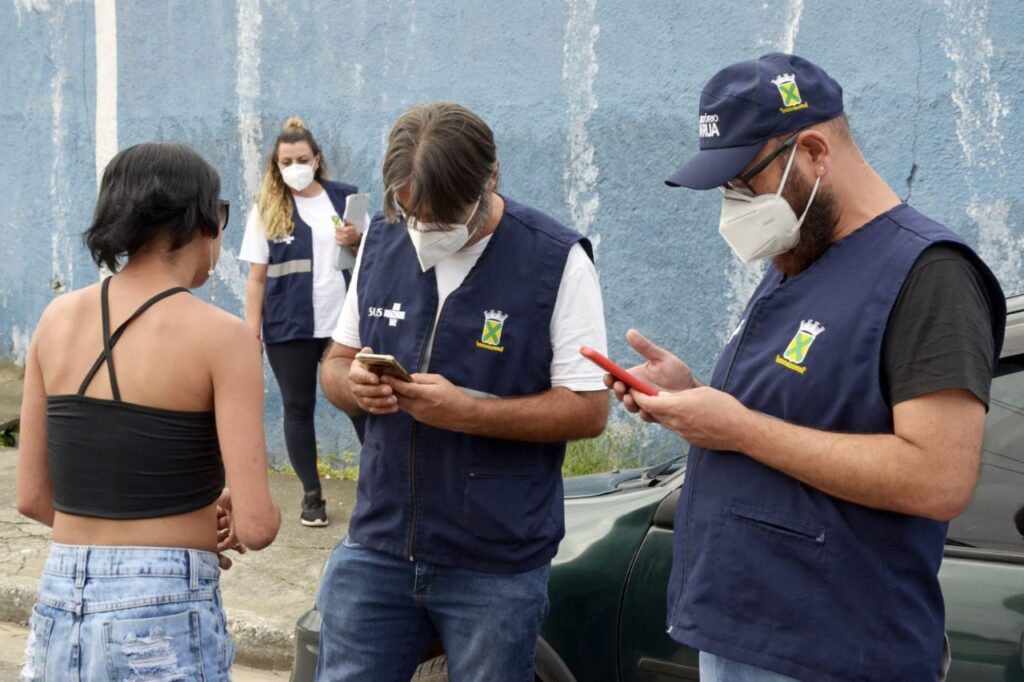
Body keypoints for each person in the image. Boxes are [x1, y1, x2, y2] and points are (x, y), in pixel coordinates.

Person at [607, 53, 1006, 682]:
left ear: (815, 152)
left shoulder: (930, 277)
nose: (734, 205)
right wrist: (691, 399)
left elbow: (938, 478)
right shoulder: (799, 255)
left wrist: (737, 428)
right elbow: (790, 417)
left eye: (744, 182)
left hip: (835, 652)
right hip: (748, 633)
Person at [316, 101, 609, 682]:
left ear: (490, 177)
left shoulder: (556, 261)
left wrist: (469, 412)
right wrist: (354, 388)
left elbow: (588, 408)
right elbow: (334, 366)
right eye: (410, 211)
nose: (423, 230)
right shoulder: (381, 242)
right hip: (378, 543)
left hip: (494, 562)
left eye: (442, 215)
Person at [16, 142, 281, 681]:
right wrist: (201, 526)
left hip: (60, 594)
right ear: (198, 221)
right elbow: (255, 525)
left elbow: (32, 497)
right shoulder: (224, 338)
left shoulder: (55, 319)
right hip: (164, 603)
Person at [239, 117, 365, 527]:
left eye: (301, 159)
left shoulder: (346, 200)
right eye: (285, 161)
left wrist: (358, 240)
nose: (294, 166)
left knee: (360, 402)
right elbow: (257, 278)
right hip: (288, 325)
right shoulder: (267, 209)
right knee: (298, 408)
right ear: (276, 165)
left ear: (317, 159)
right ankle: (312, 496)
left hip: (343, 325)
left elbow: (376, 259)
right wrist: (250, 334)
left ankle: (379, 487)